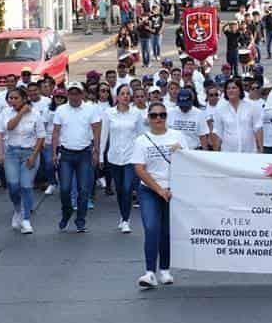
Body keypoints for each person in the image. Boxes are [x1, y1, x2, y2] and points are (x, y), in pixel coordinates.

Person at [131, 101, 184, 288]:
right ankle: (149, 272)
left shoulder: (177, 136)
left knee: (166, 231)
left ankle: (165, 270)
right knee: (152, 227)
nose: (158, 118)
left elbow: (189, 162)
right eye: (154, 115)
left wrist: (181, 152)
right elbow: (139, 168)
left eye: (162, 115)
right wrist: (159, 189)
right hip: (149, 190)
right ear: (148, 118)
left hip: (173, 190)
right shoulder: (141, 140)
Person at [52, 81, 102, 233]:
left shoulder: (90, 109)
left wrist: (96, 151)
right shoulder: (61, 110)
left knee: (84, 189)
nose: (74, 96)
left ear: (83, 94)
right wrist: (54, 152)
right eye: (71, 93)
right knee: (65, 189)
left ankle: (80, 219)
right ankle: (66, 212)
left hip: (84, 153)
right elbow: (56, 132)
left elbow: (96, 131)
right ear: (68, 94)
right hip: (66, 154)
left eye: (77, 93)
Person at [100, 84, 145, 234]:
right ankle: (122, 215)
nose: (125, 96)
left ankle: (126, 220)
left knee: (127, 188)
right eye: (122, 93)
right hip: (113, 157)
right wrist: (100, 155)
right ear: (117, 96)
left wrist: (143, 158)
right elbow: (104, 136)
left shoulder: (136, 113)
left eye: (128, 94)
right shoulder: (108, 113)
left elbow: (141, 136)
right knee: (119, 190)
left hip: (131, 157)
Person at [1, 87, 46, 234]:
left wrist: (34, 155)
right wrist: (21, 113)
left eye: (16, 98)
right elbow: (9, 127)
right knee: (13, 185)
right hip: (12, 153)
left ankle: (26, 219)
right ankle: (17, 209)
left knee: (26, 185)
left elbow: (41, 136)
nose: (12, 101)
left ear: (24, 99)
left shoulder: (36, 114)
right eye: (10, 98)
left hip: (29, 152)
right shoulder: (6, 113)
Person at [211, 79, 263, 153]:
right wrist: (216, 152)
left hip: (249, 151)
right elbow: (217, 132)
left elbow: (258, 127)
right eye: (228, 88)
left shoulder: (251, 106)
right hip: (228, 152)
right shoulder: (220, 109)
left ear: (240, 90)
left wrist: (260, 149)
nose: (231, 90)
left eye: (234, 88)